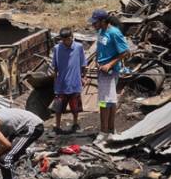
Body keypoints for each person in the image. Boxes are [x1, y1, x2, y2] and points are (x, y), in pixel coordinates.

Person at [90, 8, 130, 136]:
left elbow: (125, 52)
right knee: (110, 101)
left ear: (103, 21)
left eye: (95, 22)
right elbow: (100, 48)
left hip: (110, 72)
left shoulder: (114, 33)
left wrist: (109, 64)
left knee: (103, 102)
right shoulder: (102, 31)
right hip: (102, 71)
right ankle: (110, 130)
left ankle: (104, 131)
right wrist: (97, 61)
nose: (93, 25)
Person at [50, 27, 86, 133]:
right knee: (58, 108)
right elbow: (55, 67)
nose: (66, 41)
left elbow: (83, 64)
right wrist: (55, 82)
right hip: (61, 84)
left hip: (75, 82)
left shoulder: (79, 47)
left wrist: (83, 77)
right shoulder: (57, 48)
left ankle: (75, 124)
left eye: (68, 39)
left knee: (75, 107)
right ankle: (57, 126)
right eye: (64, 40)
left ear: (72, 37)